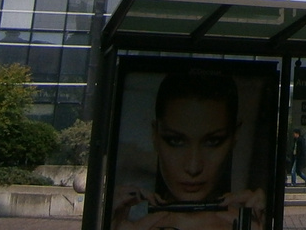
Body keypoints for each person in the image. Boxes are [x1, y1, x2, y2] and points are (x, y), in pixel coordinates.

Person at [113, 71, 266, 230]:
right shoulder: (133, 226)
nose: (193, 167)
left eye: (213, 141)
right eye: (175, 141)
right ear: (155, 135)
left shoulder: (250, 225)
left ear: (235, 136)